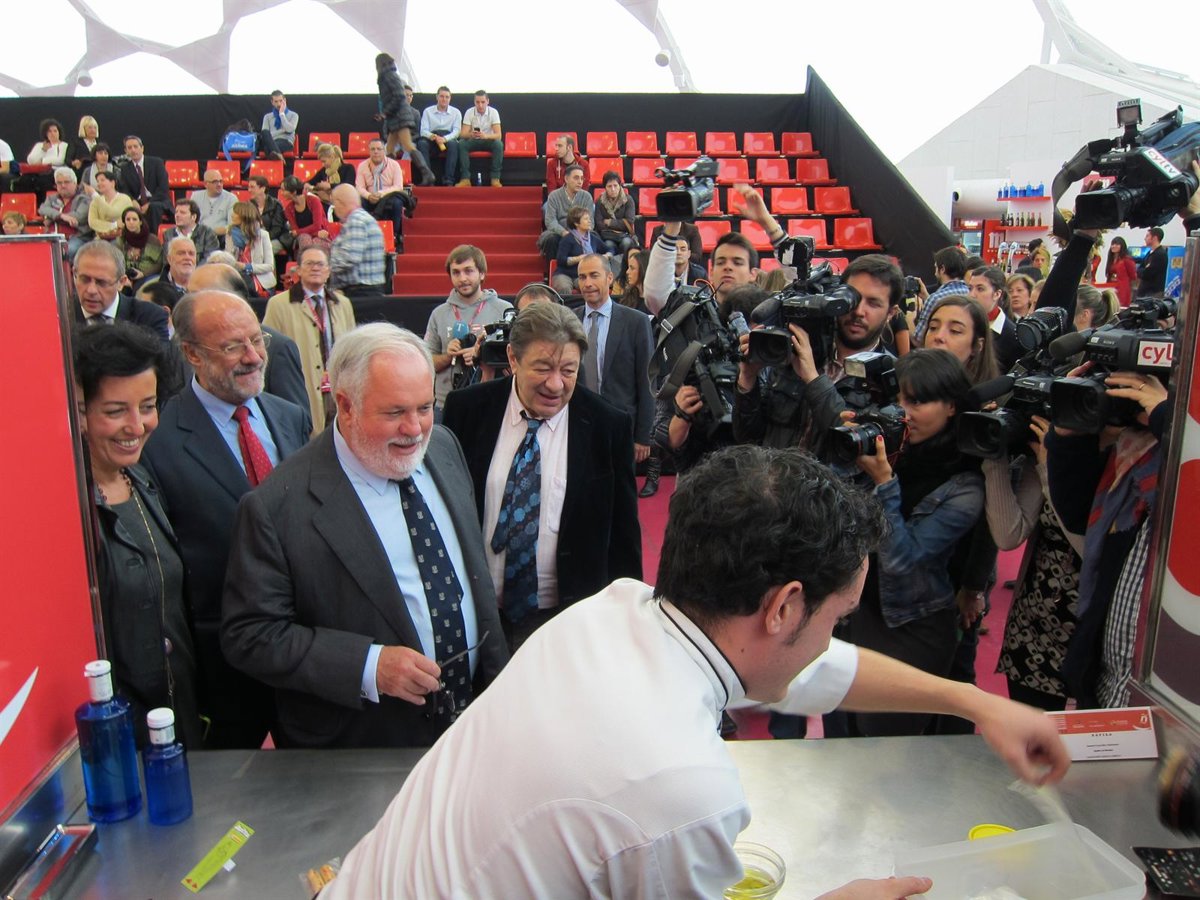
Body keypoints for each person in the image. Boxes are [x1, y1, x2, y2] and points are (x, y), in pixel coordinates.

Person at [321, 445, 1069, 900]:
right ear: (783, 606)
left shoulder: (613, 610)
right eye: (836, 617)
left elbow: (806, 669)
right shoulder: (681, 792)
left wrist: (975, 703)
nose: (831, 638)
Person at [221, 323, 510, 748]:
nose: (415, 429)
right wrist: (369, 667)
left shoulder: (444, 447)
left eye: (425, 407)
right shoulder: (276, 507)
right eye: (394, 413)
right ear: (346, 405)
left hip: (474, 726)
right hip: (366, 744)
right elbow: (251, 635)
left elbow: (472, 577)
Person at [140, 289, 310, 748]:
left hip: (304, 657)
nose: (253, 356)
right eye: (233, 346)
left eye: (257, 340)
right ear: (192, 353)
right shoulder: (158, 442)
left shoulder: (290, 417)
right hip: (223, 672)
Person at [442, 303, 642, 650]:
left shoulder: (607, 426)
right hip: (474, 614)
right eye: (543, 368)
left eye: (568, 370)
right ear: (513, 358)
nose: (555, 384)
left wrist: (627, 621)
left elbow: (624, 539)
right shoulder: (466, 410)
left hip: (567, 621)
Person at [843, 349, 985, 737]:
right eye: (897, 400)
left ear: (952, 406)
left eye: (917, 402)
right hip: (863, 613)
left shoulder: (966, 483)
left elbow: (902, 560)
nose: (902, 413)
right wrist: (850, 446)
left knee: (890, 746)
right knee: (849, 741)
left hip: (914, 626)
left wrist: (884, 482)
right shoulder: (893, 447)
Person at [73, 322, 202, 749]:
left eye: (147, 406)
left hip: (174, 723)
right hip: (116, 743)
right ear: (78, 410)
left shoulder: (141, 479)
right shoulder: (68, 510)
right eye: (115, 411)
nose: (136, 425)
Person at [732, 254, 903, 457]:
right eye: (853, 298)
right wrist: (747, 379)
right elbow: (747, 438)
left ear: (891, 313)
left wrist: (813, 379)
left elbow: (855, 451)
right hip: (774, 474)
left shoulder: (891, 377)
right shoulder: (793, 352)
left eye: (873, 303)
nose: (858, 311)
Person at [985, 413, 1080, 711]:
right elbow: (1008, 535)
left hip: (1093, 629)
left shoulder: (1124, 458)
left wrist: (1054, 471)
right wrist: (994, 457)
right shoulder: (1047, 450)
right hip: (1034, 624)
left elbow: (1090, 548)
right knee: (1032, 735)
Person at [186, 262, 310, 412]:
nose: (188, 305)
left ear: (234, 298)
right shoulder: (187, 345)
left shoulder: (277, 348)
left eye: (198, 297)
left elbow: (294, 416)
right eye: (187, 295)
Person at [264, 244, 357, 433]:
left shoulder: (343, 304)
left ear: (328, 271)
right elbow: (268, 351)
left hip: (337, 390)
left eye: (320, 264)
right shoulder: (278, 305)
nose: (315, 268)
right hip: (299, 390)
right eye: (309, 264)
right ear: (298, 270)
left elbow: (353, 350)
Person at [574, 254, 654, 465]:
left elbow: (647, 381)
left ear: (609, 278)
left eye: (594, 275)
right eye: (582, 277)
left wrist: (643, 435)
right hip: (578, 427)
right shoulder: (569, 320)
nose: (587, 283)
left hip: (622, 429)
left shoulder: (636, 321)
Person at [646, 185, 767, 315]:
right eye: (720, 262)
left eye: (737, 263)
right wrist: (671, 227)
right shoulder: (694, 315)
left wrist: (768, 222)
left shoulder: (765, 315)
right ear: (711, 273)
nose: (728, 267)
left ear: (753, 274)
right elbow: (656, 296)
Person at [424, 244, 512, 409]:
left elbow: (516, 359)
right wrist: (449, 356)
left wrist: (481, 355)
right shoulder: (439, 314)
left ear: (482, 273)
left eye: (468, 271)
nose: (462, 278)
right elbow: (426, 363)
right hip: (446, 404)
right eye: (456, 272)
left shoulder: (504, 310)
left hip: (493, 401)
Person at [72, 240, 169, 341]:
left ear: (121, 282)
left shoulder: (150, 317)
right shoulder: (62, 317)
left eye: (102, 283)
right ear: (74, 274)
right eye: (84, 280)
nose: (91, 290)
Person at [374, 53, 435, 185]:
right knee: (390, 148)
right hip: (397, 116)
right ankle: (388, 177)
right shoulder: (389, 76)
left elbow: (398, 96)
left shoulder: (389, 76)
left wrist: (385, 112)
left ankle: (427, 173)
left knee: (407, 145)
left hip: (399, 117)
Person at [922, 295, 1000, 386]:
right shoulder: (909, 384)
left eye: (955, 331)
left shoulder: (985, 393)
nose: (939, 336)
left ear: (977, 346)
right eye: (933, 327)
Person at [329, 183, 387, 296]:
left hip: (360, 291)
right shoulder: (365, 219)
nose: (335, 209)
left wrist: (326, 267)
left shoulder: (355, 221)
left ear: (340, 202)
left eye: (334, 204)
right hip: (367, 290)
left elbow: (350, 257)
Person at [355, 138, 409, 251]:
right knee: (358, 201)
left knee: (397, 202)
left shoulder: (394, 165)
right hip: (369, 197)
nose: (376, 152)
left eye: (379, 149)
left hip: (388, 197)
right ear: (369, 151)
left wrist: (380, 194)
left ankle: (394, 235)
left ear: (384, 150)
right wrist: (369, 196)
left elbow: (398, 186)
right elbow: (359, 187)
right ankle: (363, 234)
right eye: (373, 149)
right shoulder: (362, 166)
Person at [966, 267, 1021, 371]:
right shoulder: (964, 323)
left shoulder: (1012, 335)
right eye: (970, 288)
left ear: (997, 294)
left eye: (980, 289)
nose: (972, 295)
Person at [912, 246, 970, 345]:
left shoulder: (935, 298)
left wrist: (909, 321)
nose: (935, 273)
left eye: (936, 267)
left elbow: (919, 339)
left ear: (942, 269)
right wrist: (927, 297)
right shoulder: (971, 293)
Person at [537, 164, 593, 260]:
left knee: (594, 237)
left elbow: (590, 221)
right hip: (559, 232)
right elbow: (550, 221)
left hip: (580, 233)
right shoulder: (554, 196)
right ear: (566, 179)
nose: (580, 182)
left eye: (581, 178)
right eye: (576, 178)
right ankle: (554, 267)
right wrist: (564, 233)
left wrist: (577, 234)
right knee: (551, 239)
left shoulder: (587, 197)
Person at [117, 136, 170, 232]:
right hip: (137, 202)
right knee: (128, 208)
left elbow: (163, 188)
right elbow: (124, 190)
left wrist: (149, 203)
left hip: (157, 200)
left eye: (135, 146)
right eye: (129, 148)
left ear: (142, 148)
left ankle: (153, 237)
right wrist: (133, 201)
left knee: (153, 208)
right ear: (126, 151)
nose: (133, 150)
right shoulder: (125, 168)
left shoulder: (156, 163)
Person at [38, 166, 93, 260]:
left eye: (66, 182)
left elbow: (78, 217)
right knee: (36, 250)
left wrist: (51, 217)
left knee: (66, 251)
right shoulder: (51, 198)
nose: (63, 185)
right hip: (52, 235)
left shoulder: (84, 199)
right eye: (59, 183)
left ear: (75, 183)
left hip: (76, 237)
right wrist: (61, 216)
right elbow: (42, 209)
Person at [225, 201, 276, 298]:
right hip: (239, 280)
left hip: (262, 284)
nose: (232, 215)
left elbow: (269, 266)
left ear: (245, 216)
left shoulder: (263, 235)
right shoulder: (230, 233)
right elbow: (229, 260)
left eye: (236, 213)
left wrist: (247, 267)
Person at [553, 206, 607, 295]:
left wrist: (607, 256)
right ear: (576, 223)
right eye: (586, 219)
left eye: (589, 219)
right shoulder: (567, 239)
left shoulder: (593, 238)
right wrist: (579, 258)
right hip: (564, 274)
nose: (589, 221)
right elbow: (561, 260)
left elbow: (609, 249)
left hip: (583, 274)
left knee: (591, 286)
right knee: (564, 287)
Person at [417, 86, 463, 186]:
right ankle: (428, 178)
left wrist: (444, 139)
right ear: (437, 97)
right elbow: (423, 131)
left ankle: (449, 179)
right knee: (421, 144)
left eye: (447, 97)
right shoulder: (428, 111)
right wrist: (434, 137)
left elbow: (457, 131)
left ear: (450, 98)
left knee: (454, 145)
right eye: (442, 96)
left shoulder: (456, 112)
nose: (444, 99)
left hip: (448, 138)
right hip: (432, 138)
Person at [456, 90, 503, 187]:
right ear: (474, 102)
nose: (480, 105)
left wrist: (486, 136)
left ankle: (495, 179)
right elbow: (463, 134)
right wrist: (471, 135)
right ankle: (465, 179)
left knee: (498, 144)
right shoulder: (469, 112)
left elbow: (498, 135)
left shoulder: (493, 112)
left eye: (483, 102)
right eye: (477, 102)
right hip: (474, 140)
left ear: (487, 101)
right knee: (461, 143)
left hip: (488, 140)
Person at [279, 175, 332, 255]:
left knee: (316, 241)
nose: (281, 193)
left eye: (283, 190)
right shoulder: (288, 209)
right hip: (304, 237)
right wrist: (315, 233)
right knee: (305, 238)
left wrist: (299, 232)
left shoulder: (314, 201)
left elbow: (317, 226)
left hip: (322, 235)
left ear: (294, 191)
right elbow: (295, 232)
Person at [593, 170, 636, 258]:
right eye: (609, 186)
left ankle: (625, 264)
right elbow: (599, 224)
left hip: (624, 235)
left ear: (620, 186)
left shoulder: (628, 200)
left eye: (615, 185)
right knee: (608, 245)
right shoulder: (600, 201)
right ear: (605, 187)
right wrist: (620, 223)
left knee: (626, 243)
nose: (613, 189)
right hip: (607, 236)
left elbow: (629, 221)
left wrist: (609, 222)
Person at [162, 198, 219, 263]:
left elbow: (210, 259)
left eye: (182, 213)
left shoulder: (207, 233)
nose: (177, 215)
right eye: (176, 212)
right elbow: (167, 259)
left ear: (193, 217)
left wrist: (191, 268)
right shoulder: (168, 234)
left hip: (200, 269)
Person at [116, 207, 163, 283]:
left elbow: (159, 264)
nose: (131, 222)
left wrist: (143, 274)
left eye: (134, 219)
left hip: (148, 276)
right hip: (126, 276)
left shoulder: (152, 240)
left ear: (140, 222)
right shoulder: (121, 240)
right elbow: (117, 262)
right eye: (128, 219)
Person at [87, 170, 136, 241]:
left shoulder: (124, 199)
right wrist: (114, 225)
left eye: (102, 180)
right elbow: (92, 222)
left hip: (120, 238)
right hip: (101, 238)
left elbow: (114, 213)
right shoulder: (95, 201)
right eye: (97, 181)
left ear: (112, 183)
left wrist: (95, 195)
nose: (99, 183)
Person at [247, 173, 290, 255]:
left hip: (277, 238)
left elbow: (277, 229)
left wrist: (262, 239)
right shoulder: (248, 205)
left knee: (265, 249)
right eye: (248, 187)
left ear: (263, 188)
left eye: (252, 187)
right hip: (256, 239)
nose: (249, 190)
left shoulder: (276, 204)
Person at [190, 169, 237, 238]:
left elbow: (232, 225)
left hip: (221, 237)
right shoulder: (195, 196)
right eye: (215, 182)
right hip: (199, 236)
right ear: (206, 184)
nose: (219, 184)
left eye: (221, 181)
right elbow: (191, 221)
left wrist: (210, 232)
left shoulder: (231, 198)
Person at [260, 90, 298, 158]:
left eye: (281, 101)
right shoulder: (267, 117)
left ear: (284, 100)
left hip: (286, 141)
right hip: (271, 141)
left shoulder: (294, 115)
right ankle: (279, 157)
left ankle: (277, 156)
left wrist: (282, 114)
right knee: (265, 136)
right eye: (276, 101)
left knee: (268, 148)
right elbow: (265, 134)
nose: (279, 104)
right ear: (272, 102)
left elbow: (290, 130)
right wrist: (283, 131)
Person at [613, 248, 649, 312]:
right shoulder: (628, 297)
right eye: (628, 267)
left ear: (643, 270)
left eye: (632, 268)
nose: (627, 272)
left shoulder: (656, 302)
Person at [1105, 236, 1137, 307]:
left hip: (1122, 288)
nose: (1114, 246)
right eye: (1112, 244)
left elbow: (1133, 276)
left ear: (1122, 246)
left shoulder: (1127, 259)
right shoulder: (1111, 259)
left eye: (1117, 244)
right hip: (1111, 287)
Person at [1137, 227, 1168, 297]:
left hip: (1153, 293)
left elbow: (1147, 274)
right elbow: (1139, 268)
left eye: (1147, 236)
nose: (1145, 238)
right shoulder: (1150, 252)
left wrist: (1143, 270)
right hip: (1144, 292)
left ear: (1154, 238)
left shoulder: (1160, 254)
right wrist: (1143, 269)